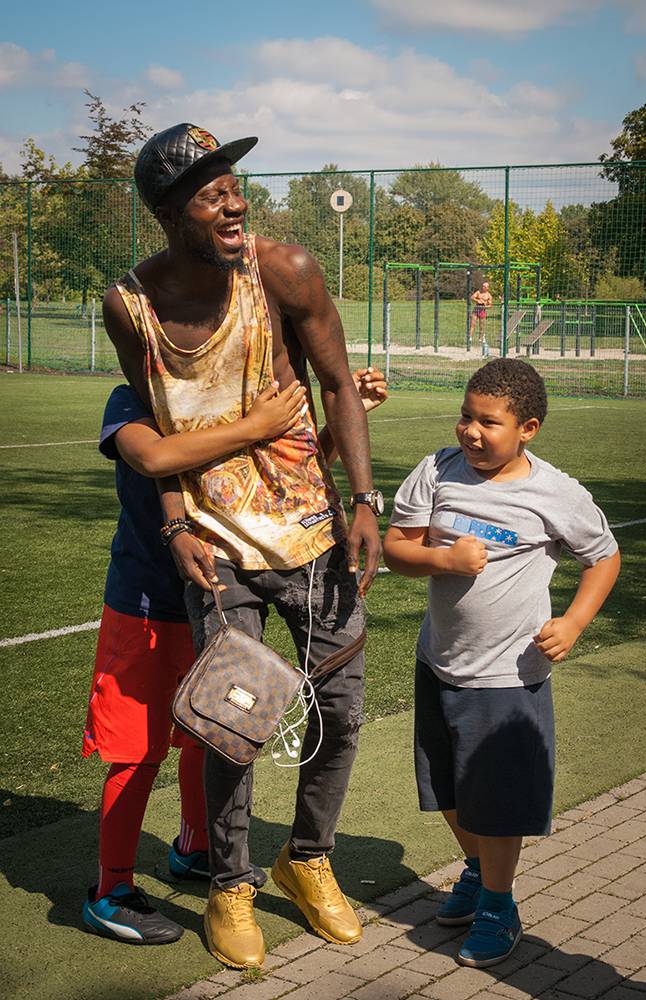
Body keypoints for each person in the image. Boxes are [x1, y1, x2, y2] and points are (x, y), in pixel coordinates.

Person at [102, 122, 384, 968]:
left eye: (234, 182)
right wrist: (179, 519)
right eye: (210, 188)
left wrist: (363, 500)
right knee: (235, 724)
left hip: (312, 529)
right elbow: (155, 416)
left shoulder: (286, 269)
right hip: (217, 547)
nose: (234, 199)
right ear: (167, 211)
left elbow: (336, 380)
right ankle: (230, 884)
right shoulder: (130, 305)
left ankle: (308, 862)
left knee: (340, 712)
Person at [81, 368, 388, 946]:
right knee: (137, 750)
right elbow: (154, 458)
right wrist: (258, 424)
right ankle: (111, 888)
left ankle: (196, 847)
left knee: (219, 731)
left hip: (218, 584)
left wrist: (329, 426)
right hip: (149, 600)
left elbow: (270, 478)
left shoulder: (230, 396)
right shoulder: (136, 397)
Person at [383, 358, 620, 969]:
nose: (470, 431)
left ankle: (497, 902)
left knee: (496, 799)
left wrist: (573, 622)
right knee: (447, 794)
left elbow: (603, 556)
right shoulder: (438, 470)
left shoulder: (555, 492)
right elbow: (395, 546)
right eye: (466, 415)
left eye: (488, 422)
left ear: (528, 429)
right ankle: (475, 866)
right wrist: (444, 562)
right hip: (439, 661)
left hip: (509, 676)